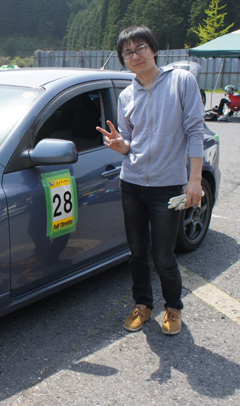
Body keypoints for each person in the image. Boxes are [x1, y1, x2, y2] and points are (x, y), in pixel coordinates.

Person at [96, 25, 204, 336]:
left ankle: (173, 308)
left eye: (140, 48)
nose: (135, 55)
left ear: (154, 50)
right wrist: (121, 146)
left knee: (163, 255)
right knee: (137, 252)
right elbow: (129, 142)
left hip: (167, 186)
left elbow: (195, 131)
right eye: (127, 52)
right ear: (123, 60)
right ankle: (143, 305)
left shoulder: (181, 81)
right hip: (131, 184)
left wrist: (194, 180)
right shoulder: (126, 95)